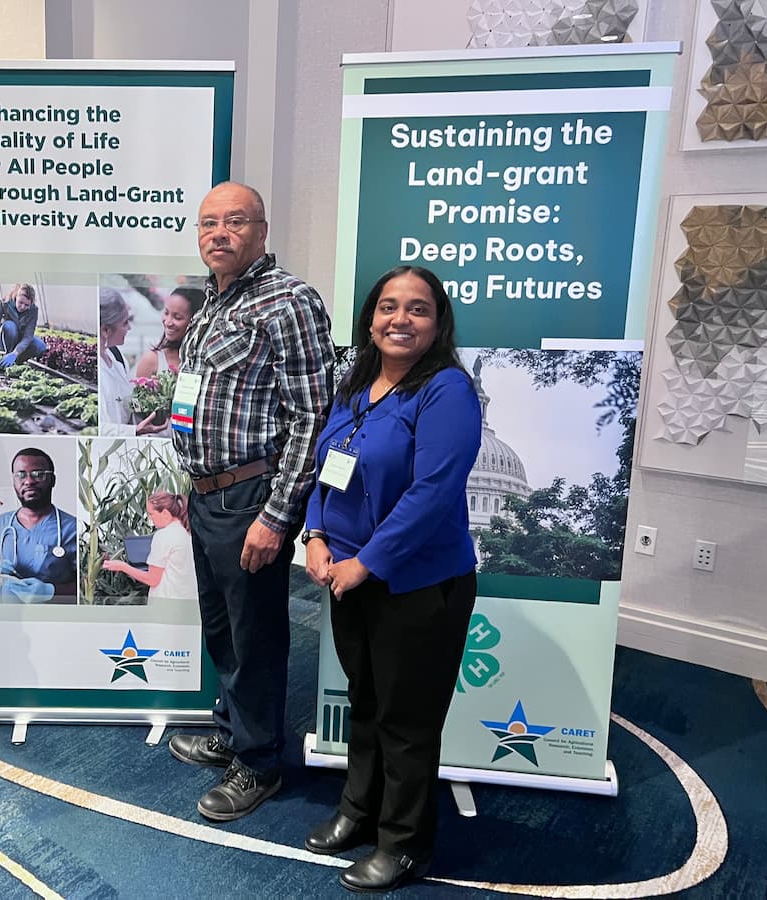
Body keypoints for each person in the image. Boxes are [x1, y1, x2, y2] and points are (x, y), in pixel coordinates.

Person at [301, 266, 481, 893]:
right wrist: (317, 536)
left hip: (419, 585)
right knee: (367, 703)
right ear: (370, 320)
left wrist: (366, 562)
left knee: (407, 719)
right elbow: (326, 469)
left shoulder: (447, 391)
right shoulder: (355, 388)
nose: (399, 319)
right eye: (387, 307)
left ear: (439, 323)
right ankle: (359, 809)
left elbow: (433, 493)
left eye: (418, 309)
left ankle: (405, 843)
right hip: (349, 578)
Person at [168, 182, 334, 821]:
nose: (219, 234)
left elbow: (311, 416)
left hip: (250, 495)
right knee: (221, 627)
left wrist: (276, 515)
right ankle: (235, 730)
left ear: (261, 231)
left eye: (234, 222)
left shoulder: (288, 301)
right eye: (208, 223)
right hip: (206, 491)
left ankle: (259, 763)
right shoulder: (211, 299)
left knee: (255, 633)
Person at [0, 447, 78, 601]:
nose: (29, 481)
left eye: (38, 474)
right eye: (21, 475)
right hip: (6, 618)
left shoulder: (75, 528)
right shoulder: (0, 525)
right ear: (13, 480)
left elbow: (91, 584)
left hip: (56, 619)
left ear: (53, 480)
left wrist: (51, 591)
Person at [101, 491, 196, 603]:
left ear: (165, 513)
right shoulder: (190, 532)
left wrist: (123, 567)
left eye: (151, 514)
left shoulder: (164, 535)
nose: (150, 518)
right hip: (190, 602)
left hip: (167, 605)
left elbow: (152, 579)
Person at [98, 286, 166, 437]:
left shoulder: (116, 357)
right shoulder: (97, 370)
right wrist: (134, 431)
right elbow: (97, 429)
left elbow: (124, 404)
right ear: (105, 330)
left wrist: (149, 397)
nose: (129, 328)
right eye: (124, 322)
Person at [134, 286, 204, 378]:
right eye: (166, 313)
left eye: (177, 317)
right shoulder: (152, 360)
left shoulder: (205, 359)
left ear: (196, 320)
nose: (168, 322)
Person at [0, 282, 47, 370]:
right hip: (3, 338)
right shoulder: (4, 304)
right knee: (10, 326)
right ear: (16, 296)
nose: (22, 306)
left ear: (31, 303)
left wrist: (15, 353)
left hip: (19, 340)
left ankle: (17, 360)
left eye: (26, 305)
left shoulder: (33, 310)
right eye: (20, 302)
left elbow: (28, 336)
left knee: (40, 346)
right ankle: (8, 356)